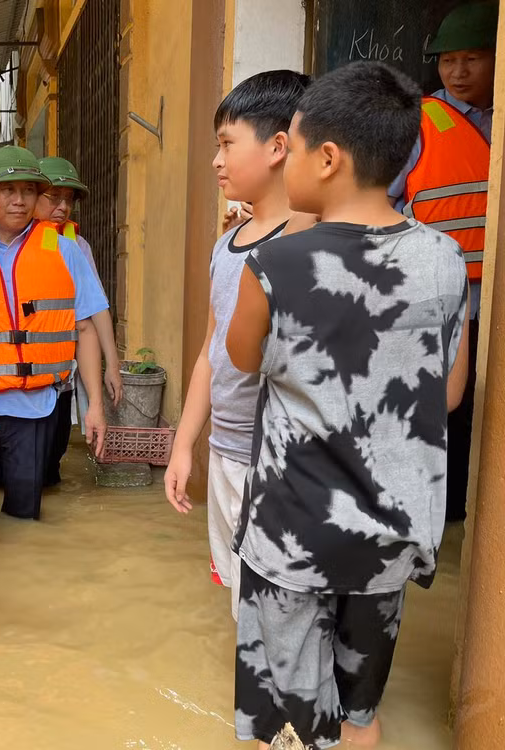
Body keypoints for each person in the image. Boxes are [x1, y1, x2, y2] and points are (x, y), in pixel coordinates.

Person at [226, 61, 469, 748]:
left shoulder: (274, 267)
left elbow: (244, 361)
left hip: (292, 539)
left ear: (327, 158)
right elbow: (447, 393)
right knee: (359, 714)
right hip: (390, 540)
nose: (285, 159)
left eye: (293, 147)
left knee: (285, 717)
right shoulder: (445, 259)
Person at [164, 70, 310, 621]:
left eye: (227, 144)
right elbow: (209, 352)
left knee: (282, 610)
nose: (216, 161)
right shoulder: (226, 244)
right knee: (241, 602)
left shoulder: (310, 240)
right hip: (224, 452)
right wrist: (185, 445)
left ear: (278, 147)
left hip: (279, 459)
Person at [0, 146, 107, 524]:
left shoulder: (66, 251)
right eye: (7, 190)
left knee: (24, 519)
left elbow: (86, 328)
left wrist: (93, 405)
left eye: (29, 191)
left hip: (36, 409)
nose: (19, 201)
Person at [388, 1, 495, 522]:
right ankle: (439, 513)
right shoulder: (419, 121)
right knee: (435, 403)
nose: (458, 71)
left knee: (479, 407)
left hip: (490, 294)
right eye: (448, 60)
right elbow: (378, 199)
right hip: (430, 292)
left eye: (472, 58)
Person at [34, 156, 123, 487]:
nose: (63, 207)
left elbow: (95, 309)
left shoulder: (76, 246)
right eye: (54, 197)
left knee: (51, 465)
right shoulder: (12, 246)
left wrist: (111, 364)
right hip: (20, 380)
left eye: (68, 200)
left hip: (62, 375)